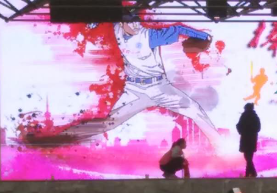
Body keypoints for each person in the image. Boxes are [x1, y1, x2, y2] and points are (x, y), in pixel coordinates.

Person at [59, 20, 221, 148]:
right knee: (108, 123)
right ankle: (62, 137)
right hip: (134, 90)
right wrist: (94, 22)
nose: (136, 26)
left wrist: (202, 36)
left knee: (195, 110)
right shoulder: (117, 28)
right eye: (132, 23)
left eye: (137, 22)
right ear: (122, 24)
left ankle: (220, 147)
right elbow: (110, 16)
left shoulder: (149, 36)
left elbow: (178, 29)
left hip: (159, 88)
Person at [236, 103, 261, 178]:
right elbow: (258, 128)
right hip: (252, 139)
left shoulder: (244, 116)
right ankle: (251, 173)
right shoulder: (255, 116)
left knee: (247, 157)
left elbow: (238, 125)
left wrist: (242, 131)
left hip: (245, 138)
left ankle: (251, 173)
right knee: (249, 156)